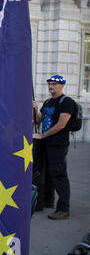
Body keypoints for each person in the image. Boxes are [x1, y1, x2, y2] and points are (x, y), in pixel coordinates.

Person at [33, 75, 73, 220]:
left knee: (59, 174)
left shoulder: (66, 102)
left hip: (58, 144)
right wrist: (36, 109)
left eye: (54, 84)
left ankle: (63, 208)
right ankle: (47, 201)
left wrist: (43, 136)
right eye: (50, 84)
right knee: (47, 173)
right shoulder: (48, 102)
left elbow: (61, 124)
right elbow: (38, 120)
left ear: (62, 85)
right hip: (45, 144)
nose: (51, 87)